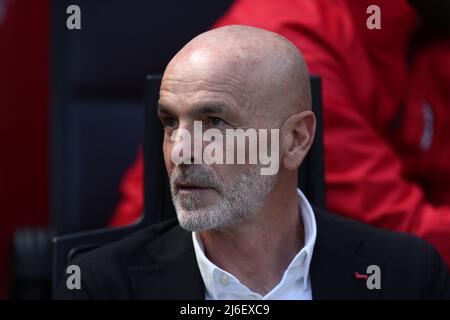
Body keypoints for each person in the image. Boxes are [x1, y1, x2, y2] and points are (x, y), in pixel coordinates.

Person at [57, 26, 450, 300]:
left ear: (295, 140)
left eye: (214, 122)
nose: (180, 151)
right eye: (170, 122)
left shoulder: (407, 275)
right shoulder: (102, 286)